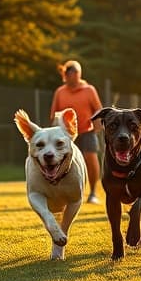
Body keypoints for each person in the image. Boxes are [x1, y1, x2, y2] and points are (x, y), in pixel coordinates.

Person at [50, 60, 103, 204]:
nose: (69, 76)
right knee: (63, 163)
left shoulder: (89, 90)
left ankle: (92, 193)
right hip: (65, 135)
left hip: (87, 131)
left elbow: (98, 110)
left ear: (78, 74)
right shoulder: (60, 92)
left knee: (91, 159)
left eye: (72, 73)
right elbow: (54, 114)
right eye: (67, 73)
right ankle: (64, 194)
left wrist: (97, 126)